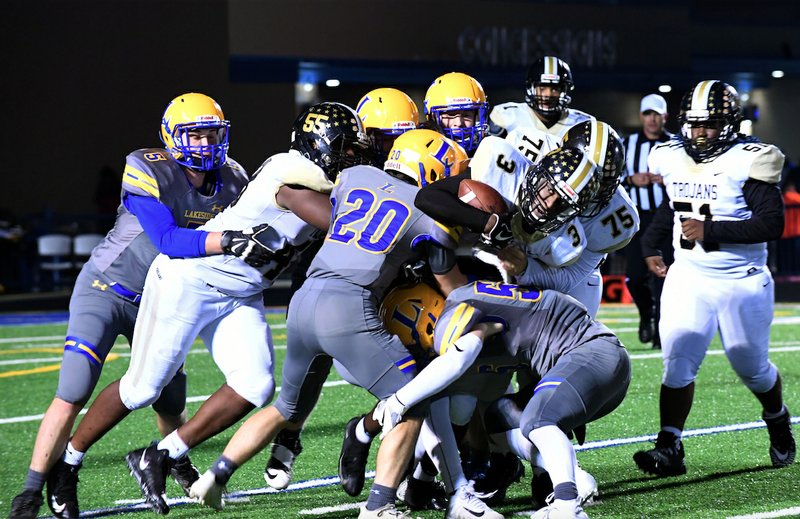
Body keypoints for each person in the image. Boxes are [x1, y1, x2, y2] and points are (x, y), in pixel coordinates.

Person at [39, 102, 375, 517]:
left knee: (255, 385)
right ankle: (68, 463)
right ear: (316, 144)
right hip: (190, 280)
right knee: (143, 388)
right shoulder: (287, 172)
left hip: (242, 291)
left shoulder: (321, 178)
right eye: (343, 148)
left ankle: (162, 453)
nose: (350, 157)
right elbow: (342, 222)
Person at [188, 129, 501, 519]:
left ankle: (215, 476)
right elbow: (453, 288)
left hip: (303, 299)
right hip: (350, 306)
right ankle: (379, 505)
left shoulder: (355, 177)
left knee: (286, 405)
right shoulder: (430, 219)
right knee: (412, 400)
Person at [8, 92, 256, 519]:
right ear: (172, 137)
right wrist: (225, 241)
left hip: (161, 300)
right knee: (74, 387)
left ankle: (171, 458)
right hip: (108, 289)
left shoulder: (233, 178)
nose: (204, 143)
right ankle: (35, 489)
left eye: (211, 133)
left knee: (168, 396)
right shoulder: (148, 167)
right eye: (194, 134)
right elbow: (168, 241)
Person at [633, 80, 796, 477]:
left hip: (742, 278)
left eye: (708, 124)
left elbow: (772, 223)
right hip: (689, 276)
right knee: (677, 363)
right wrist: (652, 247)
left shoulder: (749, 158)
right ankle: (669, 445)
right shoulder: (670, 154)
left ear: (728, 124)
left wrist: (712, 230)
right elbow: (673, 209)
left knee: (750, 366)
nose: (699, 132)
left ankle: (776, 416)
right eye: (693, 124)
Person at [262, 88, 421, 492]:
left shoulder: (411, 161)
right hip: (331, 269)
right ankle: (290, 434)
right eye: (382, 137)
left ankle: (401, 460)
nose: (391, 145)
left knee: (415, 364)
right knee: (313, 366)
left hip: (389, 274)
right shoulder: (342, 166)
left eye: (399, 136)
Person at [375, 278, 631, 519]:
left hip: (594, 354)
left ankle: (567, 506)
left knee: (538, 420)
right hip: (593, 363)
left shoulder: (454, 314)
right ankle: (572, 476)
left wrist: (398, 401)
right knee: (499, 417)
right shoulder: (474, 300)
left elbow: (458, 357)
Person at [621, 94, 673, 348]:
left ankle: (661, 332)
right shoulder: (627, 144)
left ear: (665, 117)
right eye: (648, 114)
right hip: (637, 218)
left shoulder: (676, 145)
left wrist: (669, 180)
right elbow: (608, 180)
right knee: (634, 275)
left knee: (665, 276)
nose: (652, 119)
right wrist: (631, 180)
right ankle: (646, 314)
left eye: (657, 114)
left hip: (667, 219)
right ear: (642, 116)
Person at [489, 55, 591, 159]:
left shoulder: (583, 123)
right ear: (531, 88)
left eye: (555, 89)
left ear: (564, 91)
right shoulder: (505, 115)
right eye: (542, 88)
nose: (548, 95)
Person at [424, 71, 490, 154]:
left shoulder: (488, 152)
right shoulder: (422, 153)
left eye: (466, 115)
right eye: (451, 114)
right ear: (433, 117)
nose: (459, 123)